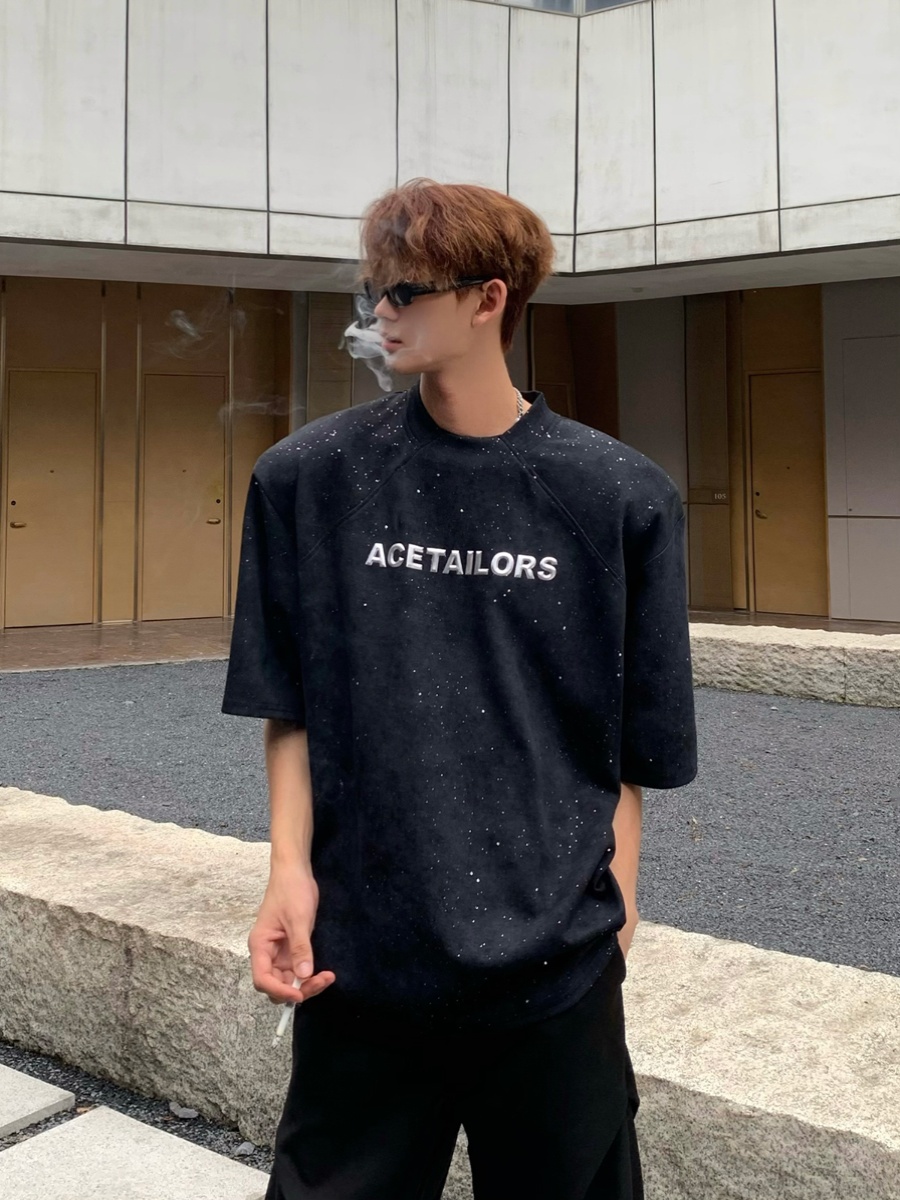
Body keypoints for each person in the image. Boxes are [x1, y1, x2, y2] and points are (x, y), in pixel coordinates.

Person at [222, 178, 697, 1200]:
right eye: (373, 292)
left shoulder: (619, 497)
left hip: (556, 979)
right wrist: (287, 871)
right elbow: (291, 704)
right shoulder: (306, 480)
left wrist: (613, 925)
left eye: (406, 292)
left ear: (489, 299)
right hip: (361, 960)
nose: (381, 312)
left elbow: (627, 750)